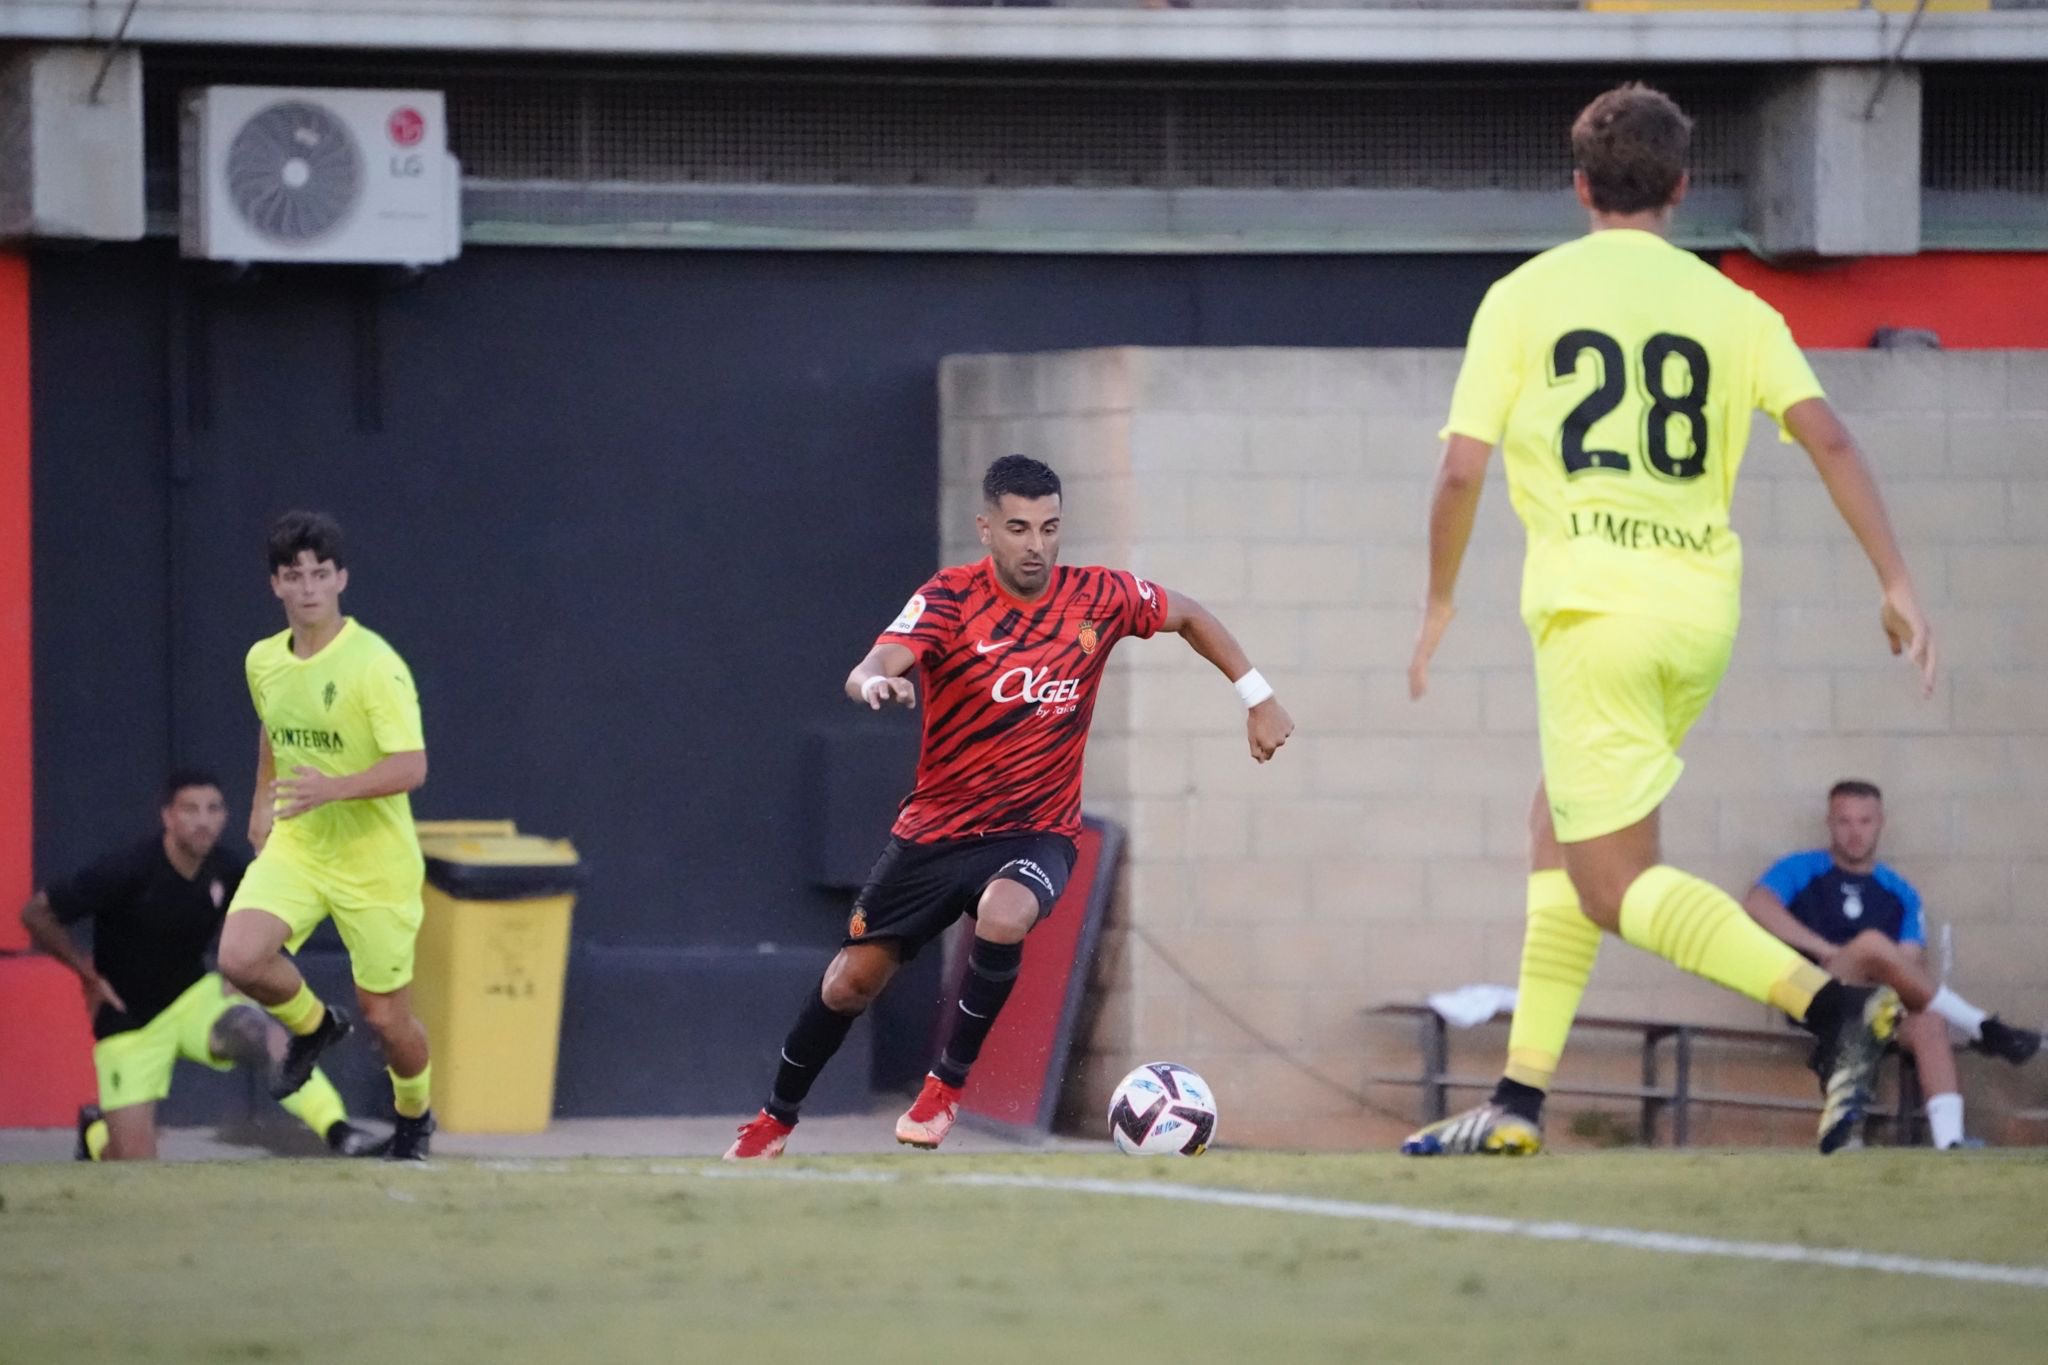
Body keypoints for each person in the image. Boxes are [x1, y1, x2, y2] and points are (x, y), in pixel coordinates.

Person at [1402, 83, 1938, 1157]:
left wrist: (1439, 597)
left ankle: (1831, 1010)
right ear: (1683, 188)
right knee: (1554, 825)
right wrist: (1894, 579)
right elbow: (1829, 437)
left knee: (1607, 886)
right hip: (1697, 618)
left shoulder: (1522, 296)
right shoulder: (1735, 309)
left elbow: (1461, 470)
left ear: (1578, 186)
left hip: (1596, 612)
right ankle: (1518, 1101)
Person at [724, 455, 1295, 1159]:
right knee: (851, 982)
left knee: (1004, 911)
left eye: (1049, 528)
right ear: (987, 528)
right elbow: (872, 664)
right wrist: (878, 684)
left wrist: (1257, 696)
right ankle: (773, 1121)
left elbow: (1187, 614)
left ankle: (943, 1088)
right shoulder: (949, 598)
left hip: (1038, 829)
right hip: (936, 832)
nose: (1036, 544)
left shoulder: (1099, 597)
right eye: (1019, 528)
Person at [214, 511, 437, 1161]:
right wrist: (262, 802)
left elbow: (412, 765)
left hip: (375, 862)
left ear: (341, 578)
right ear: (275, 586)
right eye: (294, 576)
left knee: (388, 1020)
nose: (309, 587)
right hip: (302, 843)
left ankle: (415, 1118)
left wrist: (331, 788)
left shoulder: (375, 665)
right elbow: (274, 727)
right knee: (239, 956)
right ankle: (314, 1027)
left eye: (320, 574)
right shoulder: (263, 660)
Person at [18, 769, 378, 1160]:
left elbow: (256, 916)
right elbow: (36, 913)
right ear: (168, 816)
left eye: (213, 809)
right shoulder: (126, 869)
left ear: (225, 816)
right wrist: (86, 974)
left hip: (193, 998)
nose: (203, 820)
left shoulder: (225, 868)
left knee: (260, 1031)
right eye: (190, 809)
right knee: (135, 1164)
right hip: (128, 1019)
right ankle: (97, 1133)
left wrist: (239, 969)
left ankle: (339, 1131)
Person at [1746, 780, 2040, 1150]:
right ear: (1829, 823)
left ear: (1880, 822)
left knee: (1929, 1021)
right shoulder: (1802, 868)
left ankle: (1950, 1143)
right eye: (1844, 821)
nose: (1855, 832)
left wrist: (1874, 963)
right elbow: (1757, 905)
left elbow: (1908, 964)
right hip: (1815, 995)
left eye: (1865, 821)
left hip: (1877, 1006)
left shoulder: (1898, 891)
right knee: (1870, 943)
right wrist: (1826, 949)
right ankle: (1982, 1026)